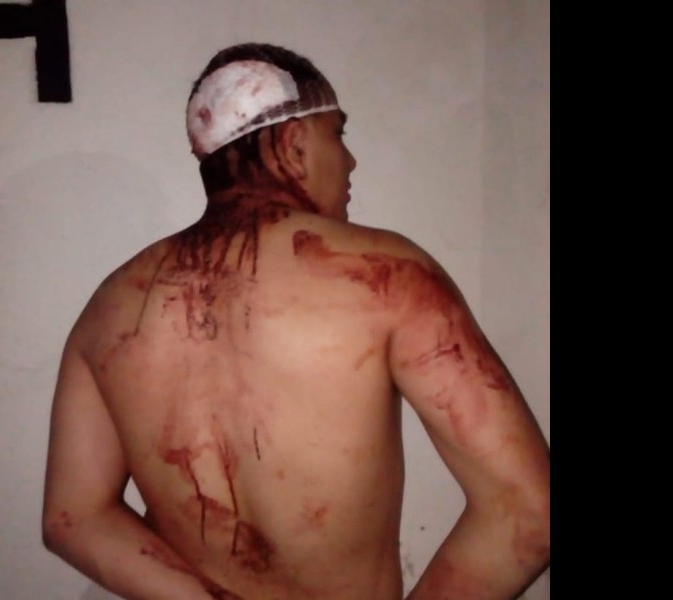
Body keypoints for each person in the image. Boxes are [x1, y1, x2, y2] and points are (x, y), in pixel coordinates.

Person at [42, 43, 550, 600]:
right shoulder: (389, 277)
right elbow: (529, 513)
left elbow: (73, 518)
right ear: (293, 142)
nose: (350, 161)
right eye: (338, 133)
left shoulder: (111, 305)